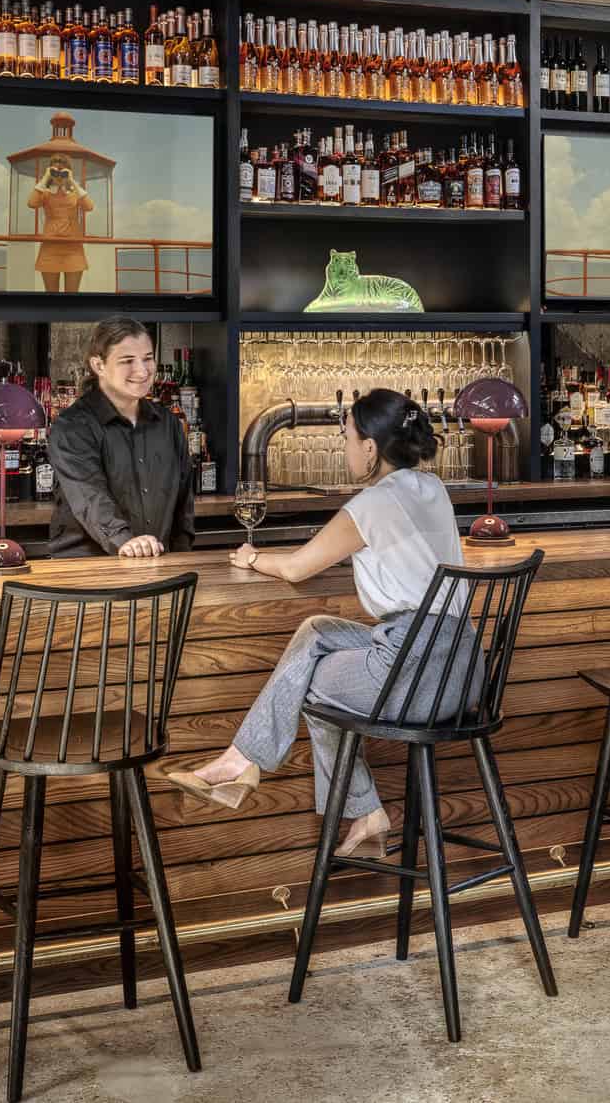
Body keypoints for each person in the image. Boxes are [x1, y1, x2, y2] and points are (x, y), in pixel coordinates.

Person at [168, 390, 464, 861]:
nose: (344, 448)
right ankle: (242, 762)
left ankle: (268, 773)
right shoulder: (432, 489)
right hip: (461, 670)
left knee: (305, 682)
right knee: (316, 632)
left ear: (370, 448)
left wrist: (252, 557)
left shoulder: (374, 503)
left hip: (415, 675)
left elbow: (297, 569)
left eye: (347, 437)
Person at [45, 318, 194, 560]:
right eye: (127, 361)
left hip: (155, 568)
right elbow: (90, 497)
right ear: (98, 365)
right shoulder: (72, 427)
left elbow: (183, 504)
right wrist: (126, 542)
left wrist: (181, 559)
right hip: (86, 573)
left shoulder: (168, 424)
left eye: (147, 358)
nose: (142, 371)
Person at [27, 158, 93, 294]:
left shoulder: (75, 193)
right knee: (52, 297)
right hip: (50, 248)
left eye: (62, 172)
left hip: (73, 249)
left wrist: (72, 181)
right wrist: (45, 178)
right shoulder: (45, 193)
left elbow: (89, 206)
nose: (58, 176)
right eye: (54, 172)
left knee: (72, 296)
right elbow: (32, 203)